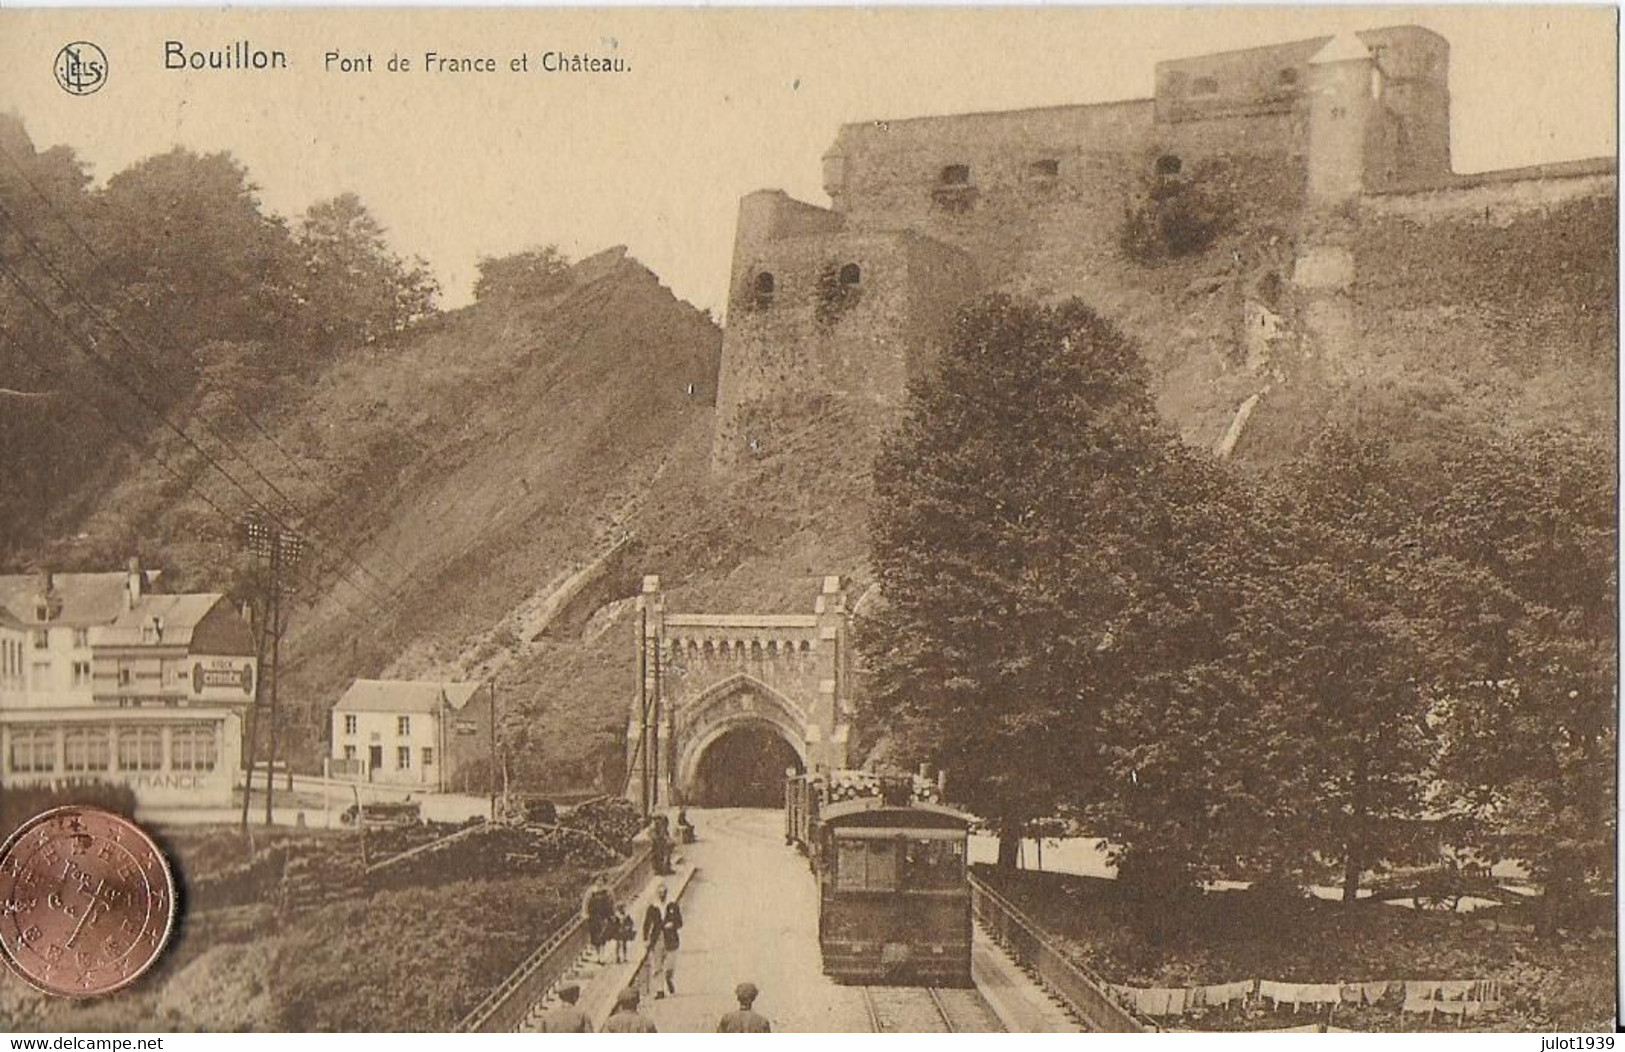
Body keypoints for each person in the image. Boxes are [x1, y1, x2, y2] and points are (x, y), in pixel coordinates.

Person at [584, 876, 614, 963]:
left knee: (602, 936)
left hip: (604, 916)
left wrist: (613, 913)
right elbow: (585, 903)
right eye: (598, 880)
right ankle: (598, 956)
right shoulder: (590, 891)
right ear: (595, 881)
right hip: (593, 917)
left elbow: (612, 902)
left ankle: (602, 956)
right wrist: (585, 914)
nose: (599, 882)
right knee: (595, 937)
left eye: (601, 880)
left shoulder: (607, 891)